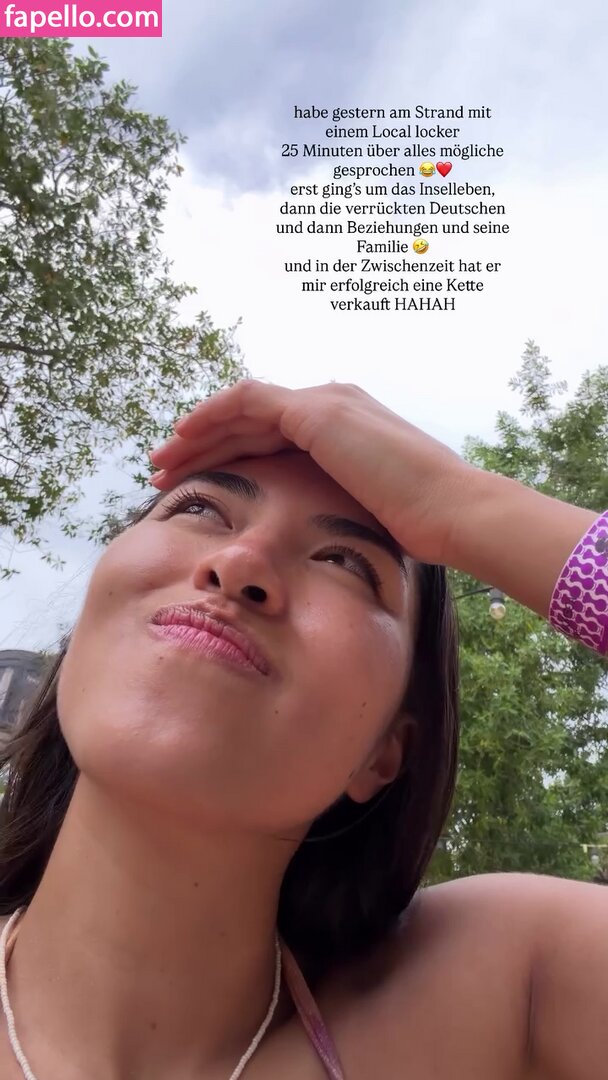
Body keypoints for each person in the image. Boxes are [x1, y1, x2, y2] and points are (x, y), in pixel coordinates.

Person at [0, 378, 605, 1080]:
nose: (239, 564)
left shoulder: (505, 993)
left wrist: (462, 501)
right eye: (199, 508)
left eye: (344, 562)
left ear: (385, 752)